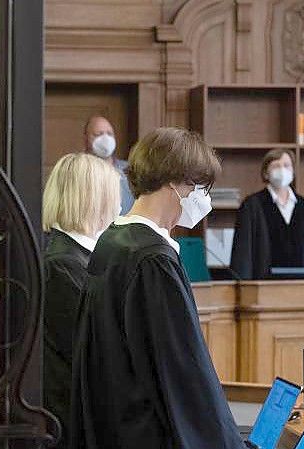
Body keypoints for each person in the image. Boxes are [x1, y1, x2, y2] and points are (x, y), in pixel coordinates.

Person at [70, 127, 246, 449]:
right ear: (174, 182)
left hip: (113, 426)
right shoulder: (153, 259)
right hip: (149, 433)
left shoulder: (112, 241)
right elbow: (184, 372)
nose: (202, 198)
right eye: (200, 186)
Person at [41, 153, 121, 449]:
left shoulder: (78, 256)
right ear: (94, 199)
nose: (118, 205)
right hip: (71, 421)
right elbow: (93, 349)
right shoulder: (62, 264)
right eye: (114, 195)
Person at [230, 148, 304, 279]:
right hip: (263, 282)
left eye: (286, 165)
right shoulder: (252, 205)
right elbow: (243, 252)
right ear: (266, 172)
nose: (282, 170)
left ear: (293, 171)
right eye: (276, 165)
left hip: (300, 284)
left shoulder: (303, 205)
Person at [83, 115, 134, 214]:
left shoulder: (129, 170)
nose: (105, 139)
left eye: (109, 134)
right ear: (86, 138)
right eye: (98, 134)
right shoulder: (77, 171)